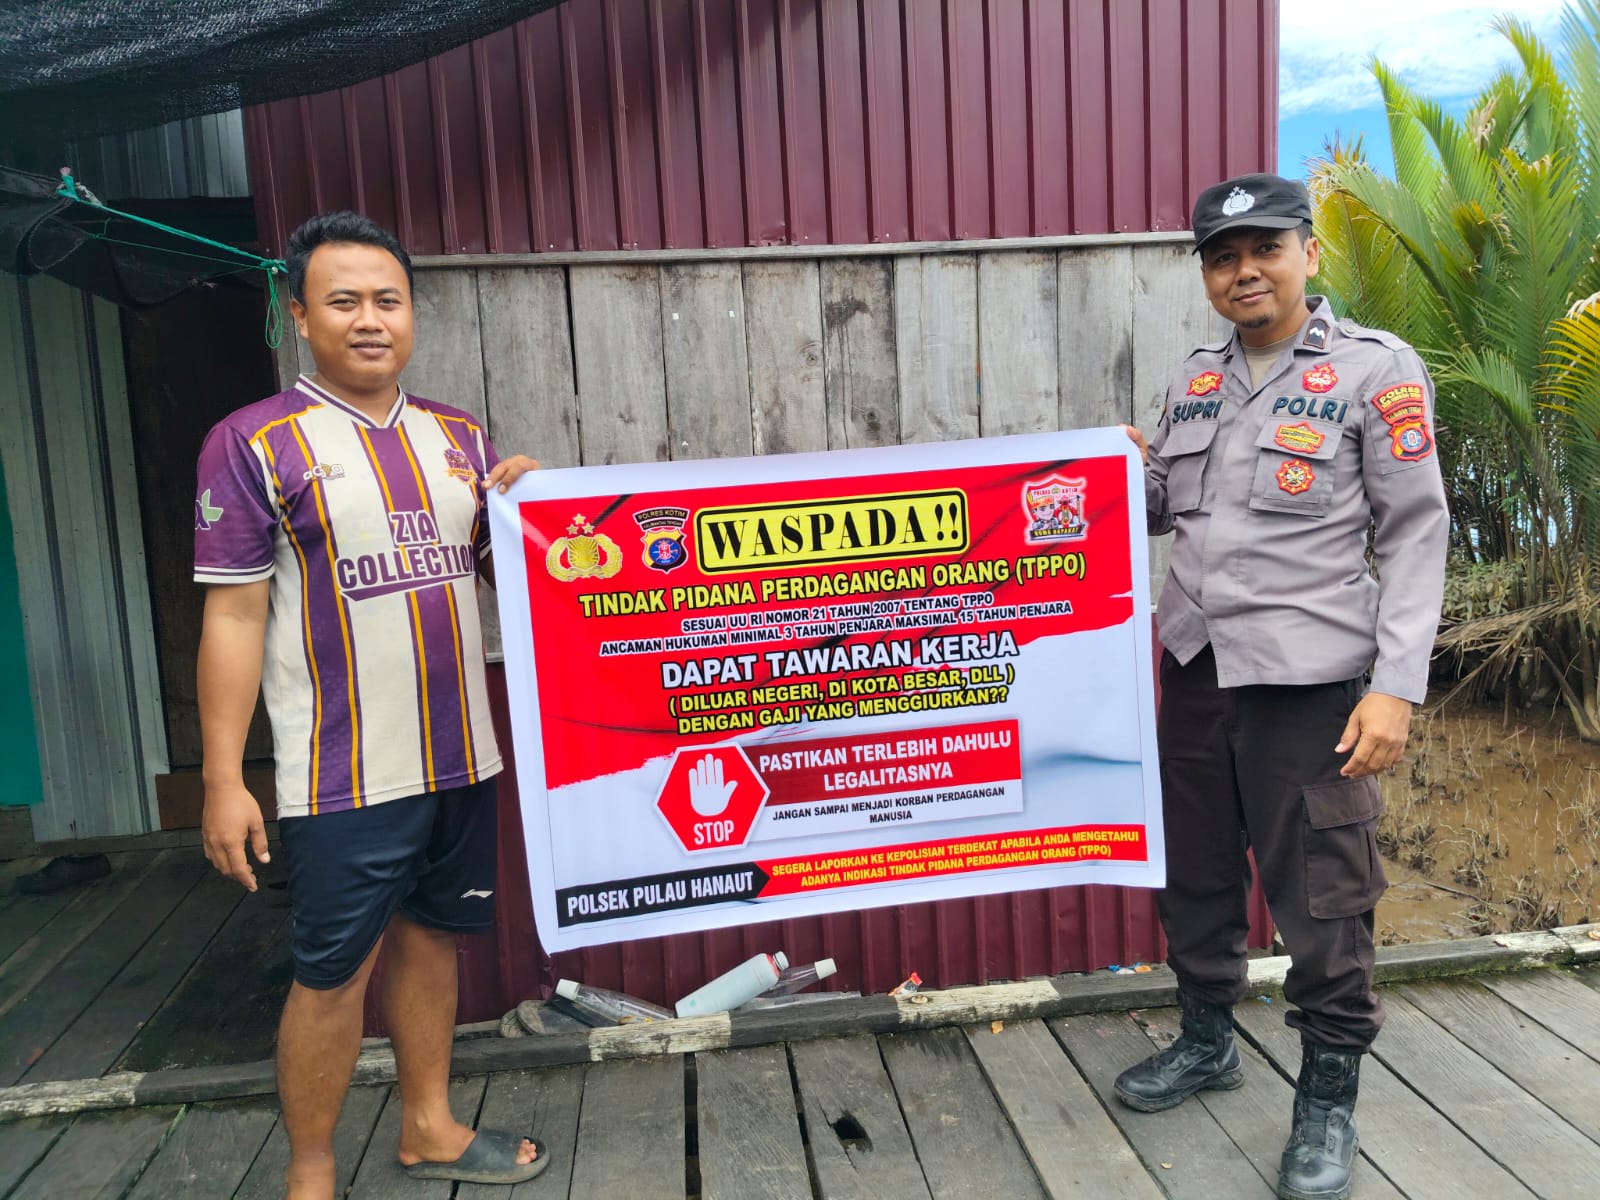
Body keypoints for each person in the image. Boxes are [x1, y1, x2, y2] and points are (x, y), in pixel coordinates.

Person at [194, 211, 546, 1197]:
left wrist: (532, 510)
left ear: (412, 314)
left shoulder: (459, 437)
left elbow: (512, 578)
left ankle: (428, 1126)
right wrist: (222, 778)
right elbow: (232, 617)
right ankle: (311, 1170)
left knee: (434, 942)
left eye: (388, 300)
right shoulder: (253, 442)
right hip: (340, 771)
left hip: (462, 756)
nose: (369, 319)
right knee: (332, 973)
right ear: (301, 316)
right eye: (342, 300)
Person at [1118, 174, 1447, 1200]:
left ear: (1308, 251)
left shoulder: (1374, 371)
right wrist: (1114, 470)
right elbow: (1166, 507)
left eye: (1264, 248)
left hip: (1307, 687)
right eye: (1222, 257)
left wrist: (1395, 687)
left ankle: (1327, 1098)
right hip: (1195, 668)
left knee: (1322, 896)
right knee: (1195, 872)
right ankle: (1207, 1039)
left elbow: (1415, 532)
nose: (1244, 272)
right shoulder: (1195, 380)